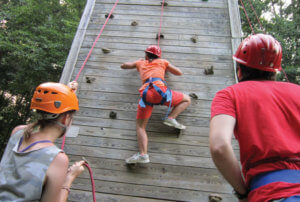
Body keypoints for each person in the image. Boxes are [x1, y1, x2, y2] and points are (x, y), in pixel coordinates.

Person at [209, 34, 300, 202]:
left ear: (239, 70)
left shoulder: (229, 95)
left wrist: (243, 192)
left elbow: (219, 146)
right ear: (275, 71)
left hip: (273, 192)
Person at [0, 81, 85, 201]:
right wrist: (69, 178)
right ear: (66, 119)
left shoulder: (18, 132)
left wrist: (66, 93)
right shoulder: (57, 159)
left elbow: (48, 106)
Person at [121, 45, 191, 164]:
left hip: (146, 95)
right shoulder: (163, 61)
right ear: (158, 56)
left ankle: (143, 154)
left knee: (140, 127)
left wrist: (139, 62)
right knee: (187, 99)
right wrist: (165, 66)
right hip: (161, 92)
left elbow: (124, 66)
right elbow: (179, 73)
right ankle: (170, 117)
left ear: (146, 54)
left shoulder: (140, 62)